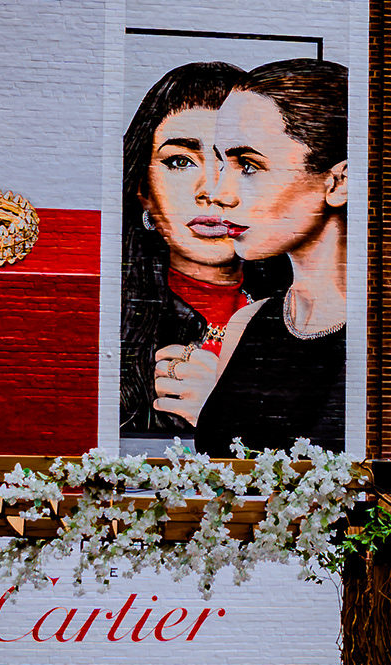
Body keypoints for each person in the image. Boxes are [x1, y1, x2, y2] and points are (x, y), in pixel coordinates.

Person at [142, 56, 351, 452]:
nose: (221, 193)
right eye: (225, 163)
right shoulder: (248, 324)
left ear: (338, 182)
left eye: (249, 166)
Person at [114, 61, 257, 441]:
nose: (210, 189)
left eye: (241, 163)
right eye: (179, 161)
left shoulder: (309, 323)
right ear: (143, 189)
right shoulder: (108, 324)